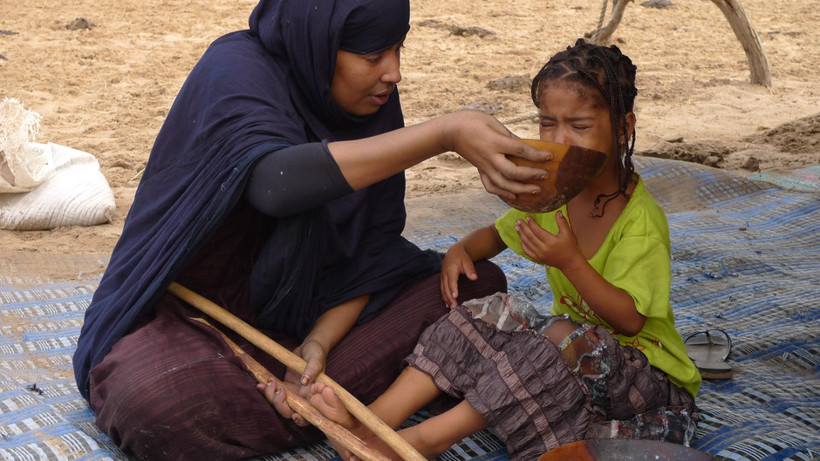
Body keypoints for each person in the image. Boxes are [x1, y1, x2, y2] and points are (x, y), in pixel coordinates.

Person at [71, 1, 552, 459]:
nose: (394, 72)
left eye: (397, 50)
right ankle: (338, 406)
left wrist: (316, 345)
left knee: (474, 286)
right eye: (372, 55)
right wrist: (441, 135)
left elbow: (369, 255)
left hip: (314, 318)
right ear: (318, 42)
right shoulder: (235, 67)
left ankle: (320, 402)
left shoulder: (374, 99)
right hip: (193, 319)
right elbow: (273, 184)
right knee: (155, 403)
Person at [288, 39, 702, 460]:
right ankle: (372, 421)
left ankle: (423, 442)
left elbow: (629, 321)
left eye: (578, 126)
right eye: (546, 123)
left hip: (646, 384)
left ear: (622, 128)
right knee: (486, 311)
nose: (560, 140)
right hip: (575, 365)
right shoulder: (556, 189)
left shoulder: (640, 221)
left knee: (550, 340)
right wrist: (462, 250)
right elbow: (499, 234)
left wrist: (571, 262)